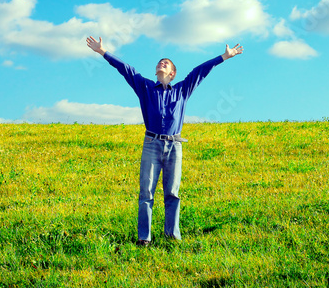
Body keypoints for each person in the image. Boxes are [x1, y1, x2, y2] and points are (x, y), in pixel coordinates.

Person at [86, 36, 243, 245]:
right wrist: (103, 52)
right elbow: (126, 69)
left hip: (174, 145)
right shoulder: (145, 88)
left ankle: (172, 236)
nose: (162, 63)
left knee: (172, 192)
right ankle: (144, 238)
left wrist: (224, 56)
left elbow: (200, 71)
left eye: (166, 63)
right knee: (146, 193)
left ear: (172, 73)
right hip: (151, 143)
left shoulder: (182, 90)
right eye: (160, 62)